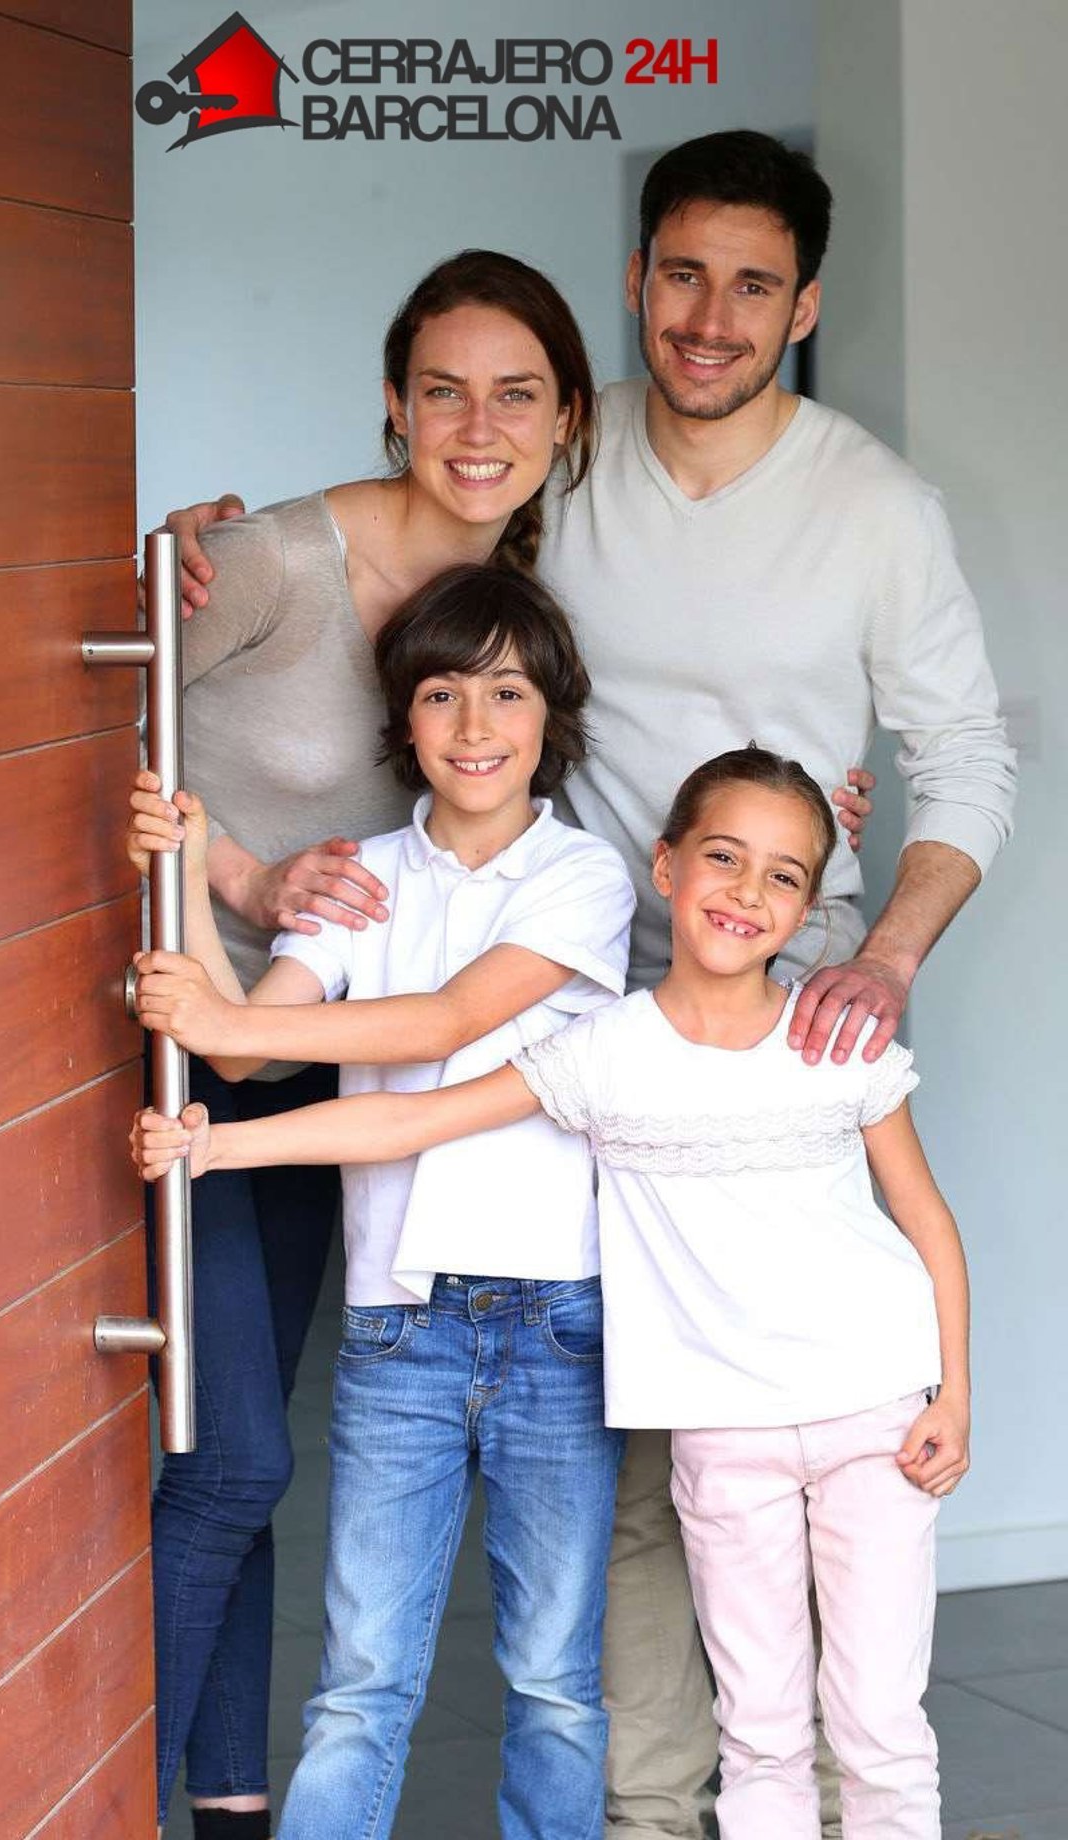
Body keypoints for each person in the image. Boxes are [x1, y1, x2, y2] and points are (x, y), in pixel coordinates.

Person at [159, 128, 1014, 1840]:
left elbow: (969, 758)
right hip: (568, 991)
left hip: (779, 1007)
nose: (709, 317)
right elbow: (437, 498)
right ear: (636, 282)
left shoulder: (874, 508)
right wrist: (208, 555)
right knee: (634, 1456)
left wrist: (880, 950)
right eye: (681, 275)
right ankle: (654, 1808)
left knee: (793, 1414)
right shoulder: (575, 446)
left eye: (753, 286)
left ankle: (841, 1780)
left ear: (806, 306)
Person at [135, 744, 970, 1840]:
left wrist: (954, 1395)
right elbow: (410, 1119)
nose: (747, 892)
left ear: (809, 907)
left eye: (782, 876)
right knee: (760, 1735)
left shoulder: (835, 1040)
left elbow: (926, 1219)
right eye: (723, 858)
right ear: (664, 867)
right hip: (724, 1432)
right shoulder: (603, 1051)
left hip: (875, 1409)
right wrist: (217, 1147)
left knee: (880, 1729)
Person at [149, 250, 599, 1840]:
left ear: (567, 418)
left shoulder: (521, 607)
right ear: (395, 405)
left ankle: (227, 1807)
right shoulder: (271, 559)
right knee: (233, 1461)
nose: (479, 426)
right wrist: (238, 878)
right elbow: (81, 695)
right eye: (443, 391)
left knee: (238, 1460)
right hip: (189, 1035)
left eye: (517, 394)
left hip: (316, 1068)